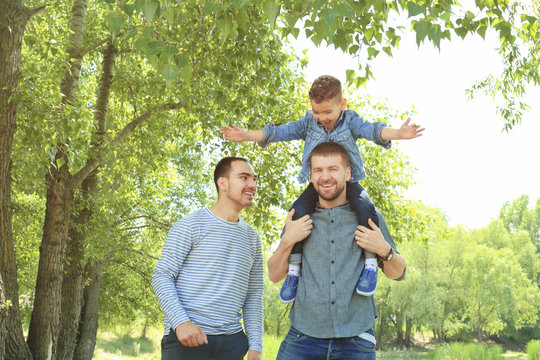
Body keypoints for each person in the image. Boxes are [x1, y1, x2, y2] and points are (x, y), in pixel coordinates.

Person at [220, 75, 422, 302]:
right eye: (317, 113)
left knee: (367, 209)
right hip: (312, 189)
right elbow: (278, 133)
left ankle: (370, 264)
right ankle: (294, 270)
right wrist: (247, 136)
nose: (322, 118)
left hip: (352, 184)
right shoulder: (308, 123)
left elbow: (373, 131)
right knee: (297, 212)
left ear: (342, 105)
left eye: (328, 113)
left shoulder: (351, 122)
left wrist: (399, 134)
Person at [268, 142, 407, 359]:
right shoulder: (298, 218)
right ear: (311, 176)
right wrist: (288, 240)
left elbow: (398, 273)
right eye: (318, 170)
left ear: (347, 173)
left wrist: (384, 250)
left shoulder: (369, 216)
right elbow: (275, 275)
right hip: (303, 339)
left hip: (357, 341)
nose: (325, 177)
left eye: (333, 169)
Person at [152, 157, 263, 360]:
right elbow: (162, 275)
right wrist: (181, 323)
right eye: (244, 177)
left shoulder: (252, 238)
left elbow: (254, 295)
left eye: (254, 179)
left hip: (232, 344)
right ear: (222, 183)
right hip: (186, 340)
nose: (253, 185)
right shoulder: (190, 226)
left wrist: (255, 346)